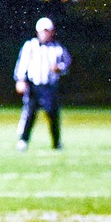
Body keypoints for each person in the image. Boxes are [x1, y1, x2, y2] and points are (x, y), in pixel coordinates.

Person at [13, 17, 71, 151]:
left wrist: (59, 68)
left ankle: (56, 142)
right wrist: (20, 80)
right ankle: (23, 140)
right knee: (29, 113)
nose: (45, 34)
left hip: (49, 86)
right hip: (34, 85)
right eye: (43, 31)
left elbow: (66, 63)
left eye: (47, 31)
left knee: (52, 114)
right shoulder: (30, 46)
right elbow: (22, 64)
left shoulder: (57, 48)